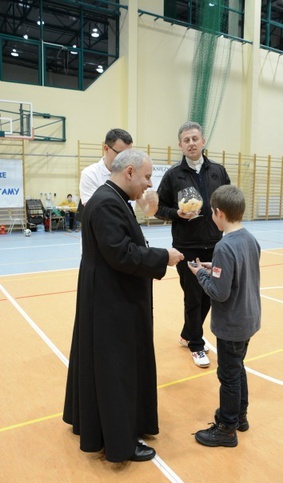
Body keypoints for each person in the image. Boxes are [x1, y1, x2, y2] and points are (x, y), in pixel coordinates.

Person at [63, 149, 184, 463]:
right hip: (112, 298)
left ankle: (100, 425)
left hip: (106, 292)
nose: (148, 184)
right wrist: (162, 257)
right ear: (129, 172)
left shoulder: (110, 198)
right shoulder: (106, 203)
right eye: (146, 177)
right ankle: (121, 441)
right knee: (117, 368)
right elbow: (122, 254)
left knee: (105, 365)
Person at [188, 185, 261, 447]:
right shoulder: (250, 239)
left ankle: (227, 428)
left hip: (232, 323)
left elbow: (218, 293)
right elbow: (237, 272)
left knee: (228, 375)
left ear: (218, 213)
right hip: (249, 318)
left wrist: (201, 274)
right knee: (237, 368)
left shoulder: (223, 247)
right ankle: (240, 417)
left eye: (211, 212)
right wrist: (213, 267)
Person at [155, 121, 230, 368]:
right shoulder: (173, 175)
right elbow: (158, 208)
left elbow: (228, 202)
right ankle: (196, 345)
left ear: (203, 141)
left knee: (211, 295)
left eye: (194, 139)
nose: (191, 143)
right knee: (193, 297)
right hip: (187, 247)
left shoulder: (218, 171)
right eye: (186, 140)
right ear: (180, 145)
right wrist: (177, 213)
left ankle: (188, 334)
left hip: (216, 245)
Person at [79, 128, 133, 206]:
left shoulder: (132, 173)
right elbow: (94, 210)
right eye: (121, 154)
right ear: (106, 148)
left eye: (129, 154)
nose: (126, 159)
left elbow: (146, 207)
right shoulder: (90, 174)